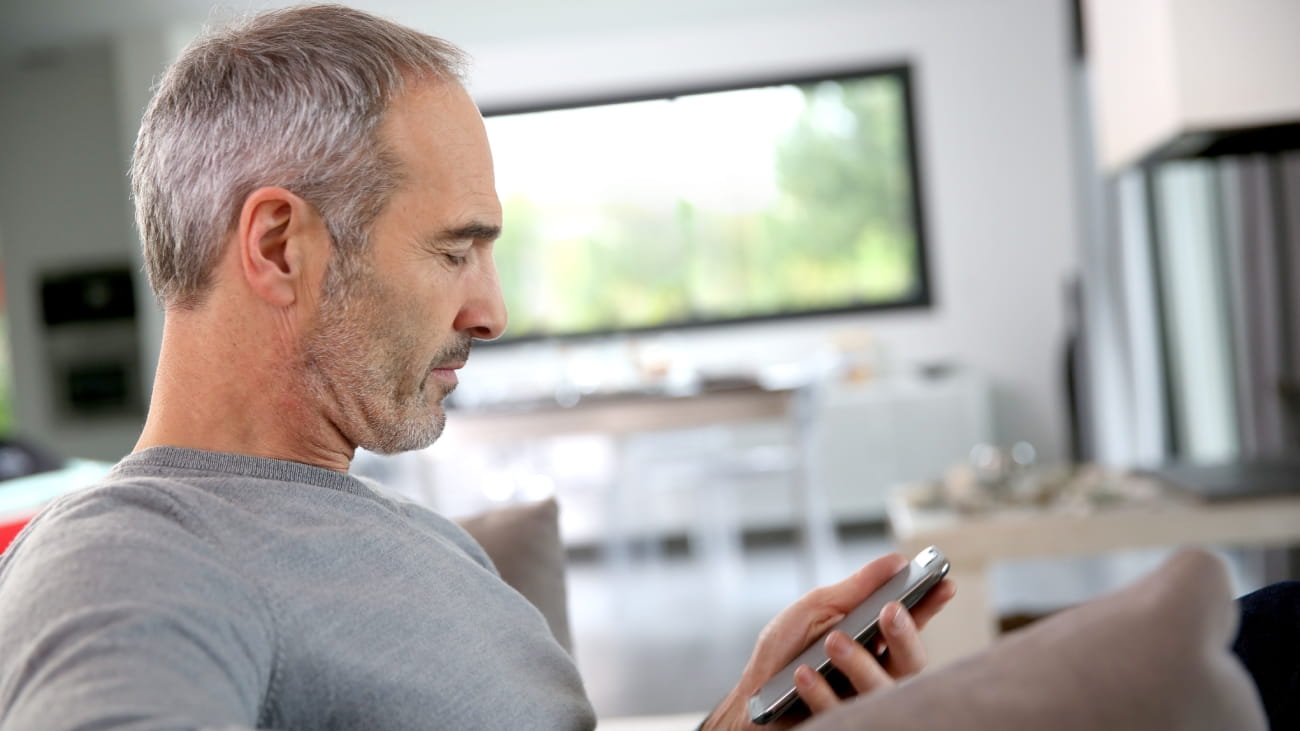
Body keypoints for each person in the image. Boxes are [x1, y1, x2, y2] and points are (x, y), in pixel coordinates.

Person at [0, 5, 954, 729]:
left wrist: (739, 715)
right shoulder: (131, 557)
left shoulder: (416, 535)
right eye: (455, 251)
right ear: (281, 246)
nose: (491, 313)